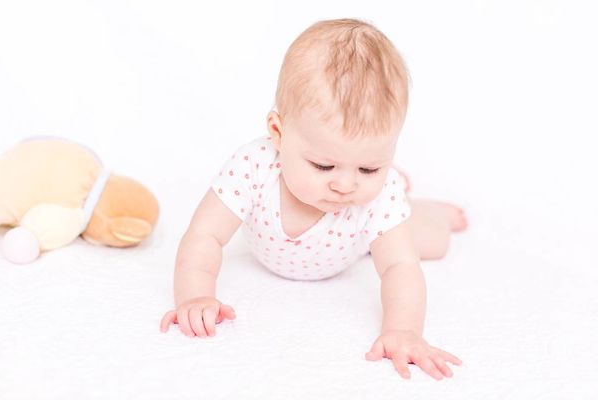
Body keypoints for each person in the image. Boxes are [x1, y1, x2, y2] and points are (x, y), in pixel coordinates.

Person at [160, 18, 467, 380]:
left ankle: (426, 210)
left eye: (369, 167)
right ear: (278, 133)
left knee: (430, 242)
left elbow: (400, 267)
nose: (345, 186)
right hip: (331, 230)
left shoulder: (375, 196)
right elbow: (205, 235)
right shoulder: (253, 166)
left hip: (358, 242)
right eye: (324, 165)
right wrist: (195, 296)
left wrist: (403, 331)